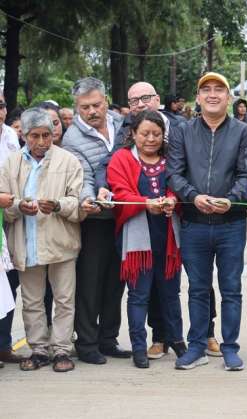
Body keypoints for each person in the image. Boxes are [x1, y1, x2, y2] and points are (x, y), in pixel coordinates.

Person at [167, 72, 247, 371]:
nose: (213, 94)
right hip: (193, 222)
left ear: (229, 98)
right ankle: (197, 346)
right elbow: (174, 174)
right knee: (197, 287)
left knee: (231, 288)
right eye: (206, 89)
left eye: (220, 89)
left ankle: (230, 347)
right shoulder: (182, 131)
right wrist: (193, 196)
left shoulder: (243, 132)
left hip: (231, 223)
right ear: (198, 97)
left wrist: (231, 199)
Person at [0, 108, 84, 372]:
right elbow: (3, 201)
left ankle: (61, 350)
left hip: (61, 242)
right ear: (23, 135)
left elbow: (79, 203)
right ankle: (38, 350)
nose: (41, 142)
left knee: (64, 299)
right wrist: (17, 208)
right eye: (34, 136)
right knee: (33, 301)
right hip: (26, 243)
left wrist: (58, 205)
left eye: (46, 135)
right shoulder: (11, 163)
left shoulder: (68, 161)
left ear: (53, 134)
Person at [107, 110, 185, 369]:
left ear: (164, 135)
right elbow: (119, 193)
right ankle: (139, 346)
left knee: (171, 292)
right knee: (138, 294)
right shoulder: (121, 158)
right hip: (137, 238)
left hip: (167, 235)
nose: (151, 139)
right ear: (133, 134)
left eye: (157, 134)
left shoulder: (171, 158)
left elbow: (178, 183)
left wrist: (172, 199)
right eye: (145, 134)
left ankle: (176, 340)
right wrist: (145, 203)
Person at [63, 77, 130, 364]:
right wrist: (90, 198)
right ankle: (87, 343)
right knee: (90, 283)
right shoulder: (72, 138)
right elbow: (83, 177)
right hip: (95, 219)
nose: (92, 111)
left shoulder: (122, 124)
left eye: (97, 105)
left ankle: (108, 338)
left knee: (117, 282)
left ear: (106, 101)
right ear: (77, 108)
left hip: (126, 216)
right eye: (85, 107)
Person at [0, 93, 22, 365]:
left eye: (2, 105)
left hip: (10, 219)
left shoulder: (10, 136)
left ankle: (3, 344)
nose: (0, 111)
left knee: (9, 283)